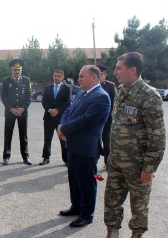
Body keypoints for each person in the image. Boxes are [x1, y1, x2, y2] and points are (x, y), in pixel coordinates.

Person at [104, 52, 166, 238]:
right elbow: (118, 126)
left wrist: (149, 167)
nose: (115, 72)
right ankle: (112, 234)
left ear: (132, 70)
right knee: (112, 201)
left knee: (138, 207)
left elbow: (157, 136)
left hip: (138, 166)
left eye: (119, 68)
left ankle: (136, 235)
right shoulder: (120, 92)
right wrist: (111, 153)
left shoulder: (150, 96)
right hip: (116, 161)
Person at [57, 65, 110, 228]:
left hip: (86, 148)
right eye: (79, 76)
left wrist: (63, 129)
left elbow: (87, 120)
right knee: (74, 179)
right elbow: (68, 112)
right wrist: (61, 126)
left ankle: (87, 214)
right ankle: (77, 206)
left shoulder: (101, 97)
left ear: (95, 77)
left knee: (87, 182)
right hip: (73, 145)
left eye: (82, 76)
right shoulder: (81, 94)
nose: (79, 79)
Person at [1, 59, 32, 165]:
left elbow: (29, 97)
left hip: (22, 113)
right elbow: (3, 97)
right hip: (10, 112)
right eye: (15, 70)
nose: (17, 72)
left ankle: (25, 156)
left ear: (21, 70)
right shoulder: (6, 81)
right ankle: (6, 156)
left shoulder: (26, 81)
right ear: (11, 70)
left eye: (18, 69)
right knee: (8, 134)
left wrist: (23, 108)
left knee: (23, 135)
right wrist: (11, 109)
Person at [39, 69, 72, 166]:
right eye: (55, 76)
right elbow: (44, 101)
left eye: (58, 76)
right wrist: (49, 110)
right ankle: (46, 158)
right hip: (48, 117)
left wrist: (57, 110)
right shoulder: (48, 87)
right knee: (47, 139)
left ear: (62, 77)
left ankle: (66, 159)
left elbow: (68, 101)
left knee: (63, 139)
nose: (56, 77)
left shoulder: (67, 88)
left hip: (60, 118)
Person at [98, 65, 116, 164]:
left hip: (107, 119)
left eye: (100, 74)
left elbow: (113, 103)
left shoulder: (110, 86)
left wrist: (106, 115)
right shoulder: (92, 85)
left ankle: (107, 163)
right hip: (95, 119)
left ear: (104, 75)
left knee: (106, 141)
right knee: (95, 141)